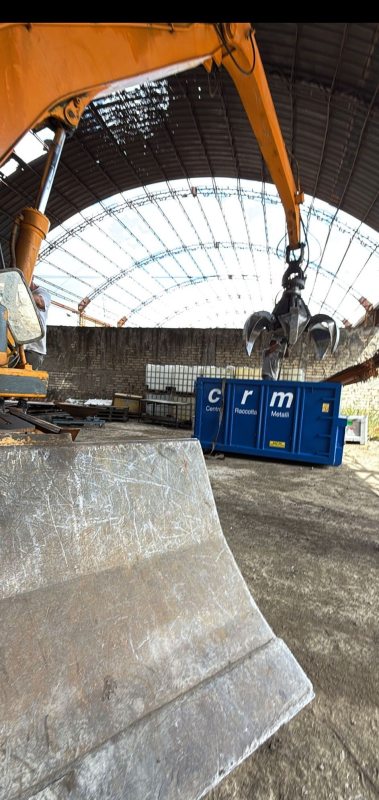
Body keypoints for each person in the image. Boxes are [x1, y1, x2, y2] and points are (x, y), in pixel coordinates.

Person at [24, 277, 51, 370]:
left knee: (25, 375)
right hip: (18, 345)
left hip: (34, 349)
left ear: (32, 277)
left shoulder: (43, 294)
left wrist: (20, 291)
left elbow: (40, 302)